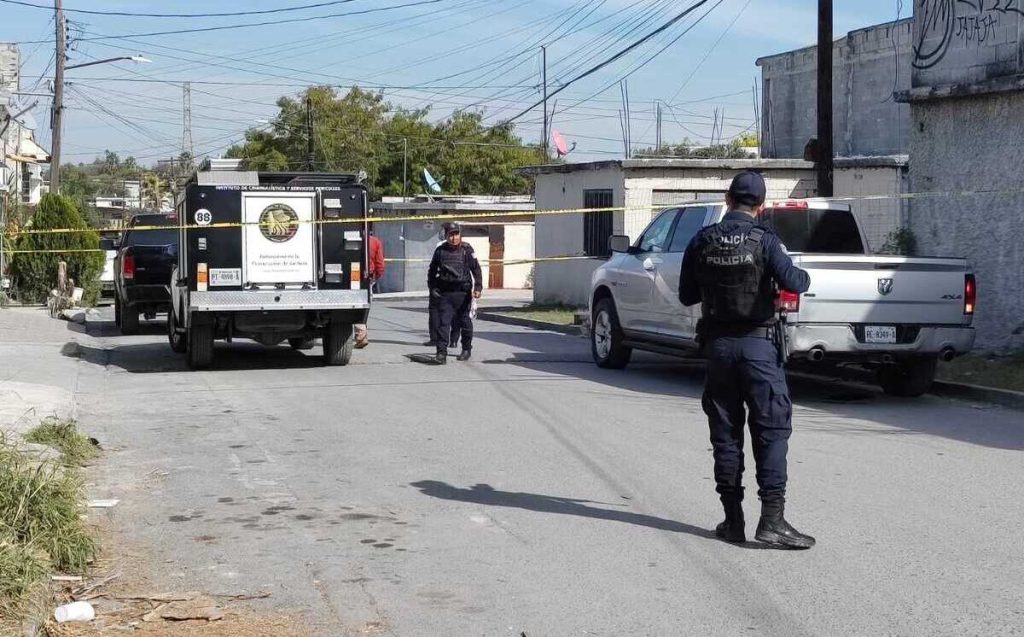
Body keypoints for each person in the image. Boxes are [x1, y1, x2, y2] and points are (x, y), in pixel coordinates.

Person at [679, 171, 815, 549]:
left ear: (728, 199)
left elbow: (687, 295)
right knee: (771, 431)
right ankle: (772, 520)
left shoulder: (701, 239)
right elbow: (795, 282)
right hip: (759, 349)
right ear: (761, 205)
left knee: (726, 435)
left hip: (719, 349)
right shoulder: (765, 239)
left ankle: (733, 521)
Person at [426, 222, 481, 364]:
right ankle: (441, 353)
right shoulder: (440, 251)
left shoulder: (467, 249)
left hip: (463, 294)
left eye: (456, 234)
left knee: (465, 323)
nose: (454, 238)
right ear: (446, 236)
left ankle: (466, 349)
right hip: (446, 293)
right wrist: (432, 288)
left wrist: (478, 288)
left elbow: (476, 269)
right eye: (451, 235)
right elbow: (432, 271)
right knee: (443, 324)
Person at [354, 229, 385, 349]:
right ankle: (362, 335)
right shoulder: (375, 241)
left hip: (352, 275)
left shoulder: (353, 238)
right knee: (364, 305)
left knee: (354, 305)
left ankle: (361, 335)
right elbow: (380, 264)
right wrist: (375, 278)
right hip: (367, 277)